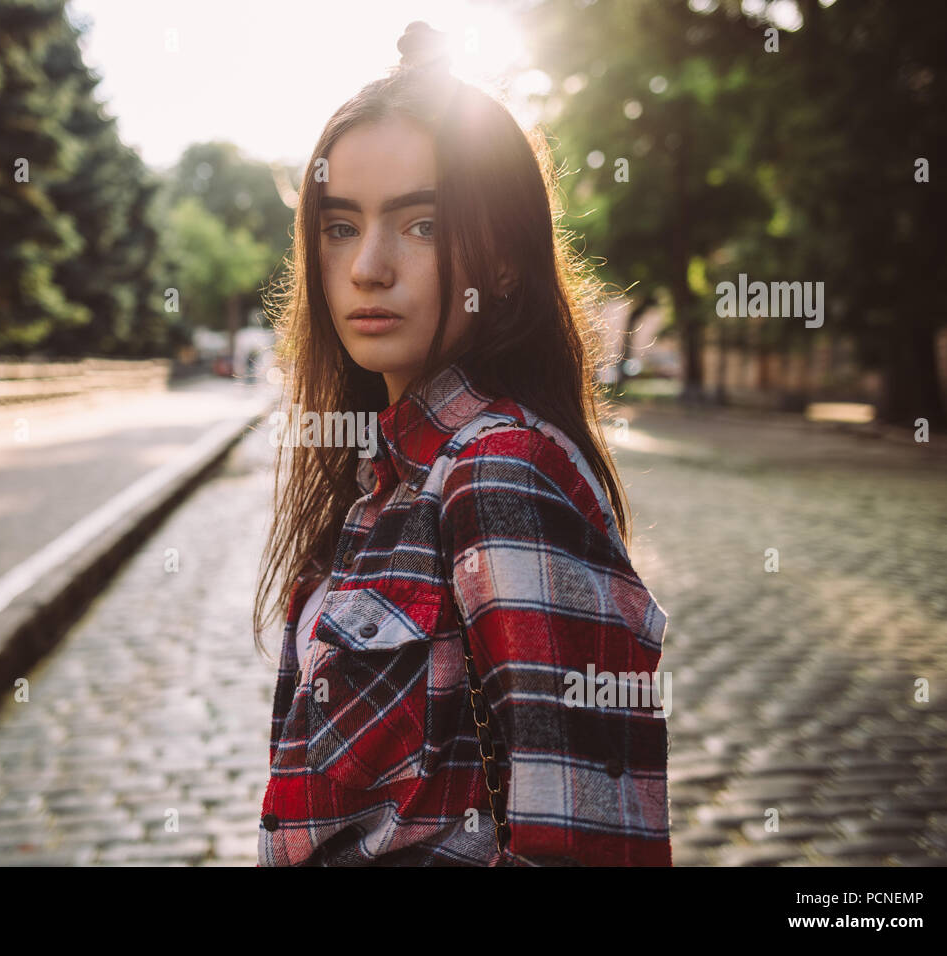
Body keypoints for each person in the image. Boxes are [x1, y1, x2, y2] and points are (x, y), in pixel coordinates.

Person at [253, 21, 671, 866]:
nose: (368, 266)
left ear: (505, 262)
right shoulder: (378, 477)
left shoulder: (500, 473)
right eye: (340, 226)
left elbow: (586, 847)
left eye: (421, 225)